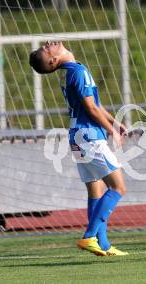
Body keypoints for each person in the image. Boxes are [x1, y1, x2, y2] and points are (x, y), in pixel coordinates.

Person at [29, 41, 128, 256]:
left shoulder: (73, 71)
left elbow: (94, 104)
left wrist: (114, 122)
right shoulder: (78, 71)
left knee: (96, 190)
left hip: (77, 136)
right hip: (89, 137)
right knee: (118, 188)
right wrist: (111, 130)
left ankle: (102, 244)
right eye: (46, 49)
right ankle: (89, 236)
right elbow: (91, 108)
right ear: (53, 60)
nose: (48, 43)